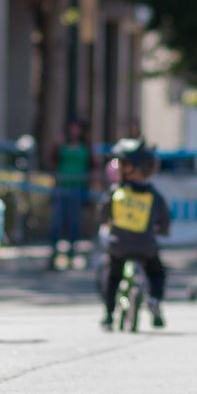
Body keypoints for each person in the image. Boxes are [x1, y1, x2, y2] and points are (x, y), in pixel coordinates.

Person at [99, 138, 171, 329]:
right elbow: (163, 219)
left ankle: (108, 314)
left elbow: (104, 213)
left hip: (119, 245)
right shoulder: (153, 195)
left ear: (129, 168)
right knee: (157, 272)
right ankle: (155, 299)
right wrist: (162, 231)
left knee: (112, 275)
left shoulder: (115, 192)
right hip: (145, 246)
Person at [48, 119, 93, 270]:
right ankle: (54, 253)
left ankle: (72, 253)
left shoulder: (85, 147)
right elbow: (52, 161)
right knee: (57, 222)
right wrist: (56, 145)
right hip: (62, 188)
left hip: (77, 189)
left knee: (74, 223)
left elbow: (92, 165)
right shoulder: (62, 145)